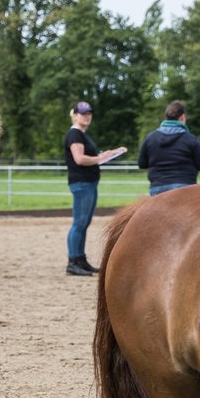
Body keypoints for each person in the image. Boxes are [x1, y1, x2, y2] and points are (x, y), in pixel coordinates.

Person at [63, 101, 126, 276]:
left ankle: (80, 259)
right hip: (82, 183)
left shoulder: (81, 134)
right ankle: (73, 261)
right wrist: (100, 158)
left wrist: (110, 153)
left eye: (89, 113)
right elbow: (80, 159)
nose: (87, 116)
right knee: (79, 223)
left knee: (83, 223)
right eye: (83, 113)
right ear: (75, 115)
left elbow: (88, 157)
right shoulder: (75, 134)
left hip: (88, 182)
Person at [138, 101, 200, 196]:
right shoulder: (190, 138)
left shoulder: (150, 138)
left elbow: (142, 164)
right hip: (184, 187)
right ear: (182, 117)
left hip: (157, 187)